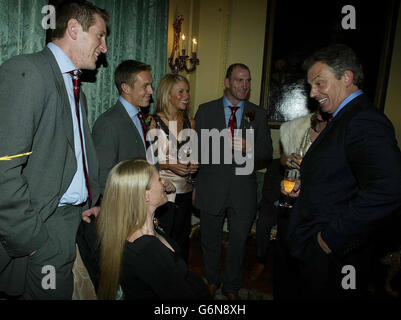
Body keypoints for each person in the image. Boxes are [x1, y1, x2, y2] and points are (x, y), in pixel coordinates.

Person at [0, 0, 108, 299]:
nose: (104, 47)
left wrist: (89, 197)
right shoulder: (29, 71)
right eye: (100, 35)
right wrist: (32, 238)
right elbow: (3, 166)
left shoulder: (74, 88)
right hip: (42, 228)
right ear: (74, 29)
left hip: (69, 221)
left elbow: (71, 157)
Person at [285, 44, 401, 299]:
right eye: (311, 86)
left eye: (319, 83)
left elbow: (388, 188)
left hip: (335, 255)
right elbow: (343, 176)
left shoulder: (363, 120)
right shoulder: (343, 117)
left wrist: (329, 239)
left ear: (346, 77)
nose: (313, 93)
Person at [194, 63, 273, 299]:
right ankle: (212, 279)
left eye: (248, 81)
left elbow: (267, 152)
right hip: (211, 187)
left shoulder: (256, 114)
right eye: (239, 80)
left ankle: (231, 287)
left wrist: (251, 147)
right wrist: (196, 185)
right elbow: (196, 151)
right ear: (227, 82)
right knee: (210, 240)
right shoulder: (205, 111)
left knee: (238, 243)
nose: (244, 85)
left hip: (243, 191)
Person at [96, 158, 211, 300]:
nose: (164, 182)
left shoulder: (146, 226)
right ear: (145, 195)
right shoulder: (146, 250)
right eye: (159, 179)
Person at [149, 73, 198, 263]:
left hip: (185, 192)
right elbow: (147, 160)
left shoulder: (190, 122)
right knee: (161, 241)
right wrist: (170, 165)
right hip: (162, 192)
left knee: (182, 242)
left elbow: (191, 155)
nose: (186, 95)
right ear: (168, 95)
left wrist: (193, 165)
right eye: (181, 91)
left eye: (187, 91)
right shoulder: (153, 122)